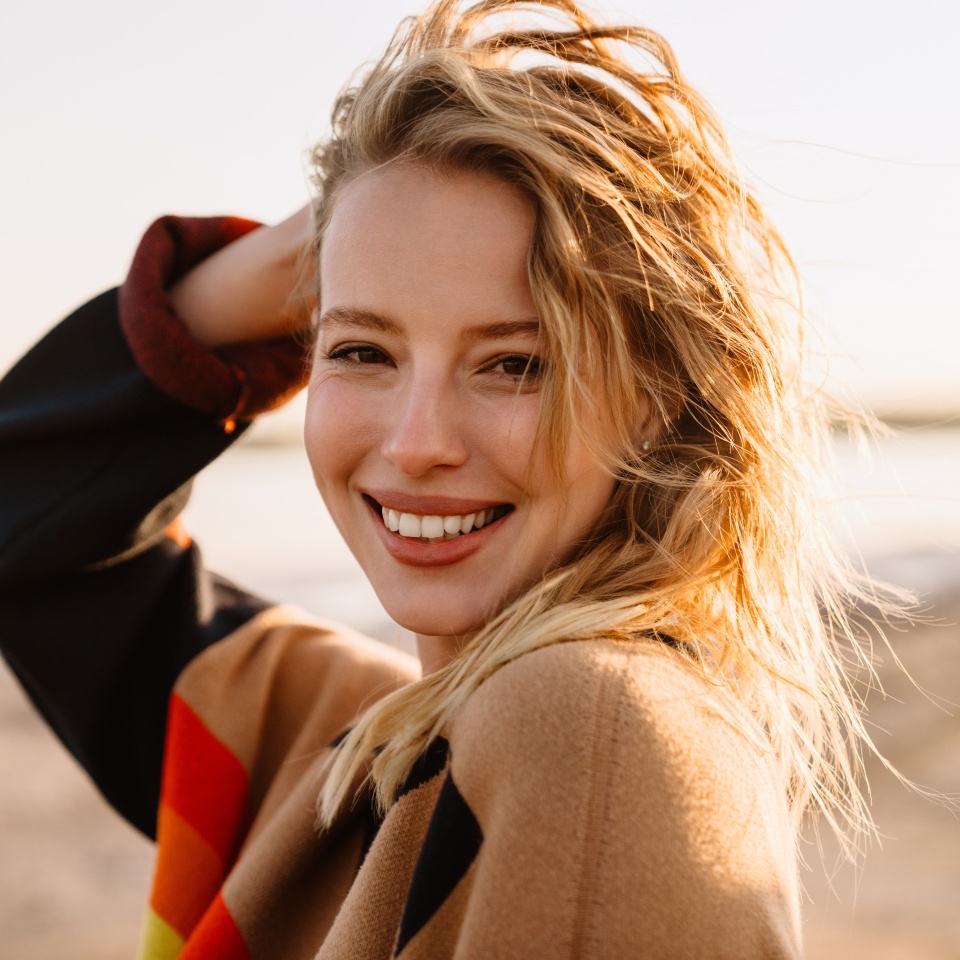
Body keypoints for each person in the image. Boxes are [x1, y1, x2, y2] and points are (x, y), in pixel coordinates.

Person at [0, 1, 897, 956]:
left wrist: (366, 245)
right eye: (360, 350)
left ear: (657, 400)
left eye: (515, 363)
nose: (418, 441)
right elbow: (28, 521)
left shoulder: (590, 727)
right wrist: (341, 221)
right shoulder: (344, 743)